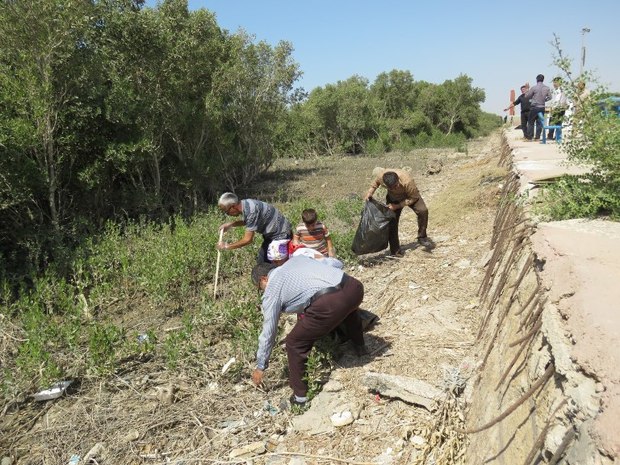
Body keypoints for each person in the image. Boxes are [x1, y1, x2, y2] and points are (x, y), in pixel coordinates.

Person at [250, 256, 366, 406]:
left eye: (260, 288)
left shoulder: (272, 289)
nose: (263, 291)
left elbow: (269, 331)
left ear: (264, 279)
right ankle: (361, 347)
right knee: (347, 309)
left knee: (294, 342)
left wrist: (261, 366)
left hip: (330, 303)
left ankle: (300, 398)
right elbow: (335, 263)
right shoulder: (296, 260)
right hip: (354, 287)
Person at [364, 167, 430, 256]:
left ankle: (422, 237)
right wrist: (370, 192)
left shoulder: (407, 181)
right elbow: (375, 183)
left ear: (398, 180)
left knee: (423, 211)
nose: (394, 188)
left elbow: (413, 198)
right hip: (393, 198)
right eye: (391, 188)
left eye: (396, 186)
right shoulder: (381, 176)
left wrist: (398, 206)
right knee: (392, 222)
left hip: (409, 196)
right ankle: (395, 251)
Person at [217, 192, 292, 264]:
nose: (227, 214)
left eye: (226, 211)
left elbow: (248, 240)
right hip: (272, 235)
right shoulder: (246, 204)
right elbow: (251, 222)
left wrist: (226, 246)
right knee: (262, 265)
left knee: (276, 265)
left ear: (233, 206)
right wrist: (231, 224)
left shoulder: (251, 211)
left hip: (281, 236)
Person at [524, 74, 551, 141]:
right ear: (543, 79)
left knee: (530, 122)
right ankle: (537, 137)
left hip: (534, 107)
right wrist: (544, 100)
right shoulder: (547, 88)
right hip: (542, 107)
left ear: (536, 80)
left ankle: (530, 137)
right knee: (539, 123)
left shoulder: (534, 88)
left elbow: (527, 96)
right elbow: (550, 97)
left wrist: (527, 89)